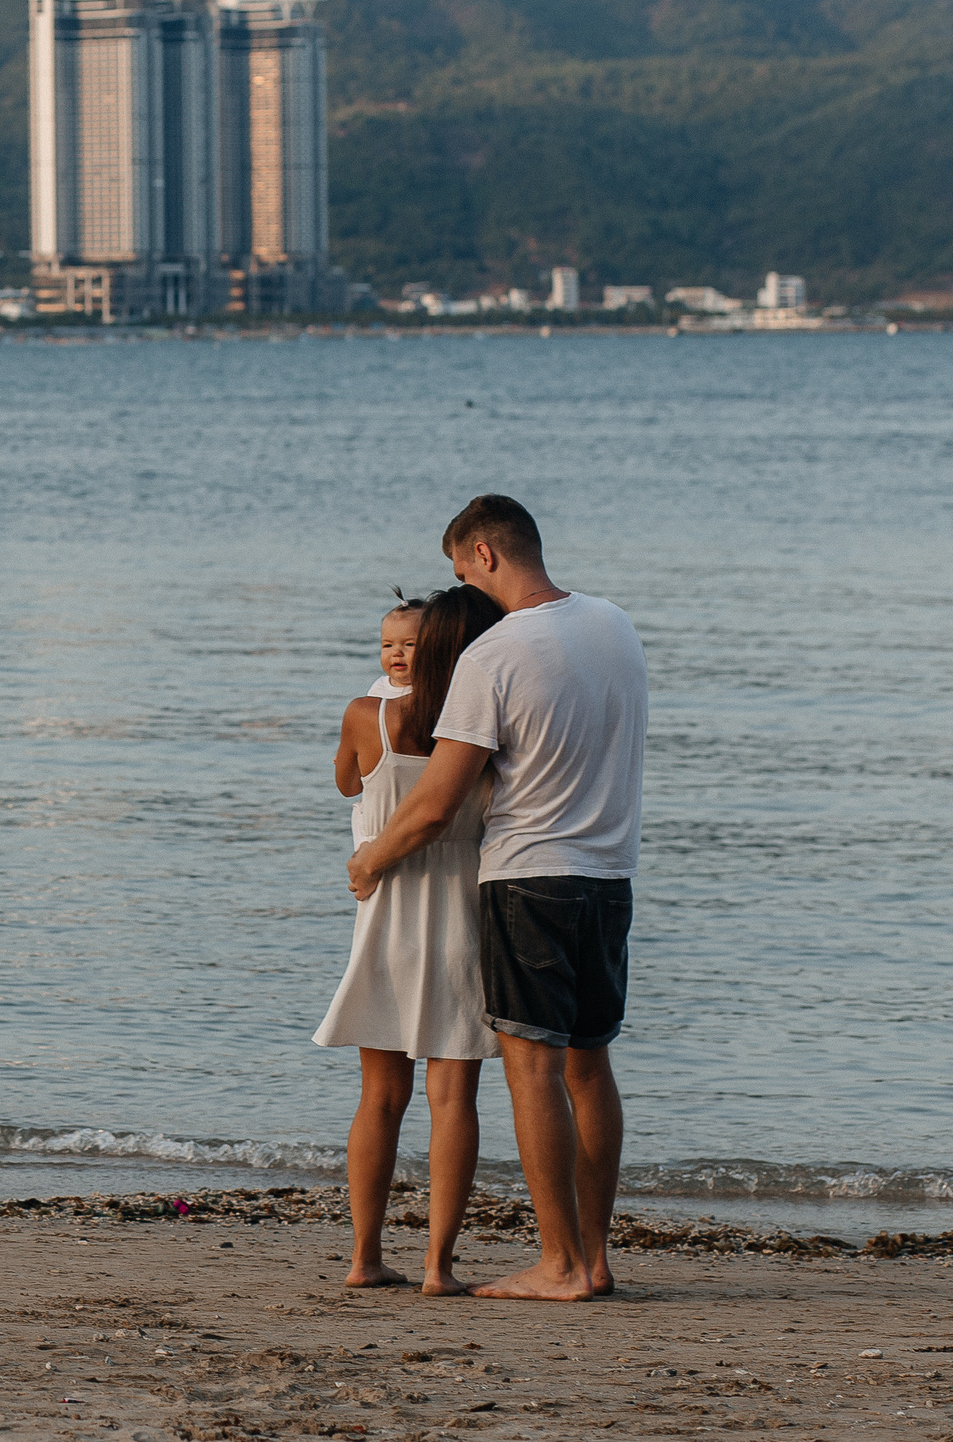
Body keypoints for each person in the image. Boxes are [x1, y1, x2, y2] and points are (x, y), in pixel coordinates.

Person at [347, 495, 647, 1302]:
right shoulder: (614, 623)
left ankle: (558, 1266)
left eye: (458, 570)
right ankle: (597, 1257)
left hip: (528, 877)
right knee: (592, 1066)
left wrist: (370, 856)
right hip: (610, 872)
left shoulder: (494, 656)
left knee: (533, 1069)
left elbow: (439, 801)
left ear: (483, 554)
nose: (463, 591)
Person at [317, 586, 505, 1294]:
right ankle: (439, 1267)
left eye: (404, 646)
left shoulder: (368, 715)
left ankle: (365, 1257)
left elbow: (344, 781)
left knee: (380, 1095)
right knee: (454, 1097)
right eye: (388, 644)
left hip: (386, 911)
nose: (395, 655)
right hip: (463, 911)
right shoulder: (482, 733)